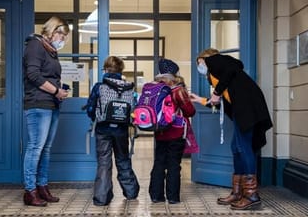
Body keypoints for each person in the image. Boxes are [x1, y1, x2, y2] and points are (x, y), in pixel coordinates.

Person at [190, 48, 273, 210]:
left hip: (248, 109)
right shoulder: (219, 78)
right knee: (237, 147)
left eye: (200, 62)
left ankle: (251, 195)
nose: (200, 66)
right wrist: (200, 99)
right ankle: (238, 192)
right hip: (243, 110)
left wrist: (216, 92)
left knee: (243, 147)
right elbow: (221, 102)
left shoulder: (217, 61)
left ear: (207, 58)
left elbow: (234, 66)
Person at [22, 16, 70, 206]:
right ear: (52, 31)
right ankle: (30, 190)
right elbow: (33, 75)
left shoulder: (50, 51)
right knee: (35, 147)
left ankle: (42, 187)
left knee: (45, 149)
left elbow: (48, 75)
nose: (63, 40)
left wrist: (59, 91)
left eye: (65, 36)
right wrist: (56, 90)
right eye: (62, 35)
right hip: (38, 103)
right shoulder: (35, 45)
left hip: (51, 103)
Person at [86, 56, 139, 206]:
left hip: (103, 128)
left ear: (105, 69)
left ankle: (102, 198)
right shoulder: (129, 87)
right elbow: (133, 109)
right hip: (121, 130)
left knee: (104, 162)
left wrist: (94, 117)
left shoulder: (99, 86)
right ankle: (131, 192)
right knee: (123, 159)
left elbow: (90, 108)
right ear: (121, 70)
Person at [149, 58, 196, 204]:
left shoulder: (154, 88)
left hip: (160, 131)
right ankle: (173, 197)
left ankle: (156, 196)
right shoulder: (178, 90)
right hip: (176, 132)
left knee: (159, 163)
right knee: (174, 164)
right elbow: (190, 111)